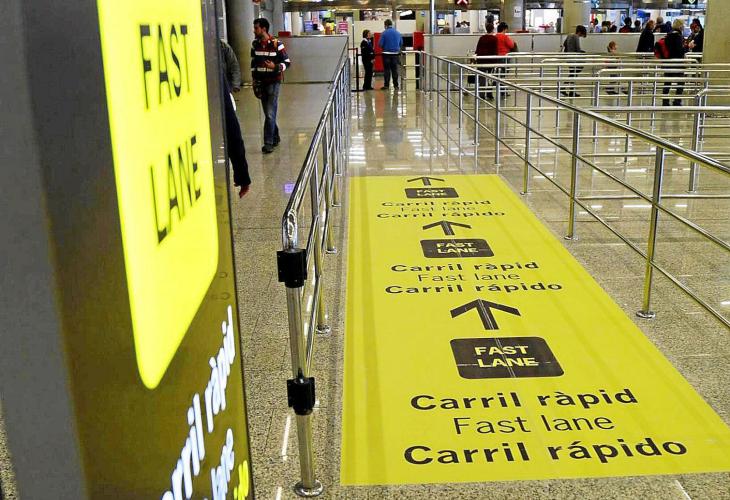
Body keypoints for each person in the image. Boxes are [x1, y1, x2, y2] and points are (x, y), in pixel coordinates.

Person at [251, 17, 291, 154]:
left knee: (269, 113)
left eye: (256, 28)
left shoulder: (276, 44)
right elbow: (253, 64)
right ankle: (276, 135)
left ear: (264, 29)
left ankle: (268, 143)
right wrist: (254, 81)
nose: (254, 30)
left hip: (273, 82)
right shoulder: (255, 45)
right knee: (269, 113)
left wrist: (275, 67)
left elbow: (287, 62)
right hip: (261, 83)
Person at [656, 19, 687, 106]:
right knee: (681, 82)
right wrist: (688, 47)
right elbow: (679, 51)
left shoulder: (669, 34)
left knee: (667, 82)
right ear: (680, 26)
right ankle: (677, 101)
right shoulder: (678, 36)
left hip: (668, 62)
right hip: (677, 63)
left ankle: (665, 101)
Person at [562, 25, 587, 97]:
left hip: (569, 58)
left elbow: (564, 44)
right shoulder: (576, 37)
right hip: (574, 59)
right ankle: (563, 88)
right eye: (582, 34)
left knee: (573, 74)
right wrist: (583, 52)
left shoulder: (569, 35)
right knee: (574, 74)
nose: (581, 36)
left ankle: (571, 91)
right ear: (580, 32)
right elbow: (578, 49)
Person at [475, 22, 498, 99]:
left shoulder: (481, 38)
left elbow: (477, 50)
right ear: (493, 29)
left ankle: (481, 95)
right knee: (490, 77)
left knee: (482, 78)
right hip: (490, 61)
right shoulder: (494, 39)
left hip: (481, 60)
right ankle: (489, 93)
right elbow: (495, 51)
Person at [379, 19, 403, 91]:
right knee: (394, 70)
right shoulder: (397, 33)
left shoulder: (384, 33)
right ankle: (396, 85)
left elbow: (380, 44)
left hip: (386, 54)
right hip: (395, 54)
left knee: (387, 70)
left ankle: (386, 86)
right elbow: (401, 43)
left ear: (385, 25)